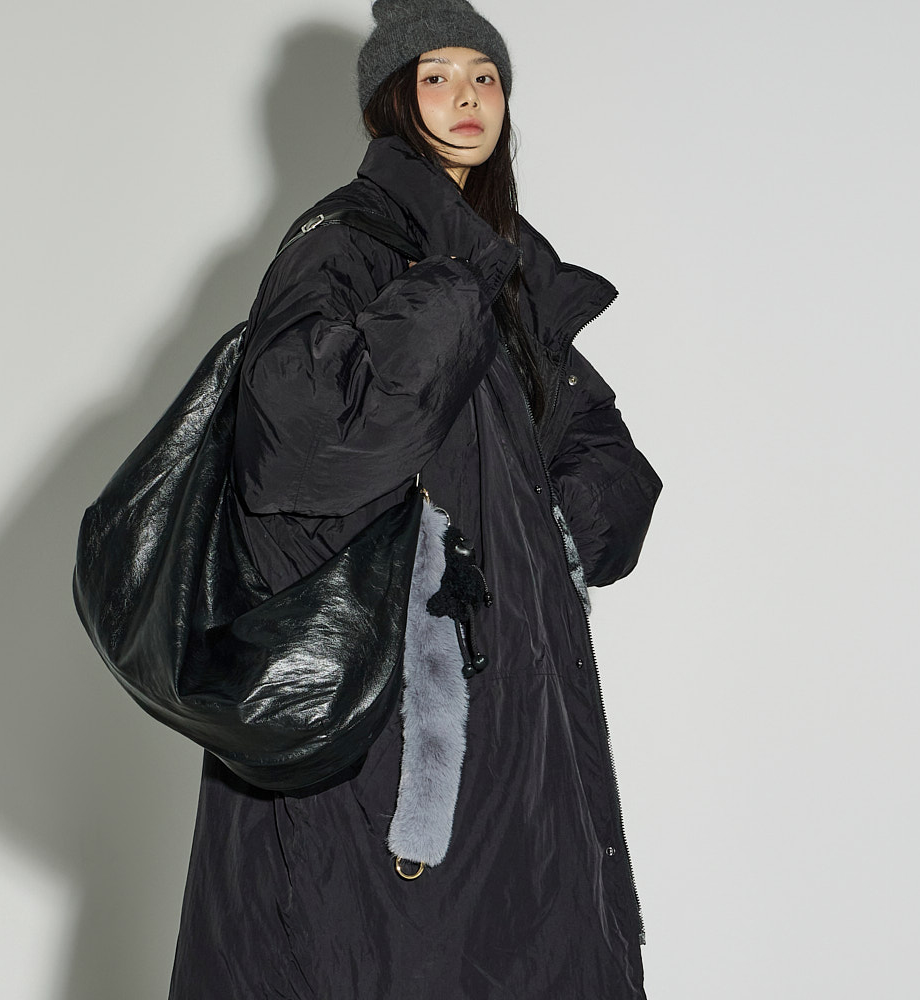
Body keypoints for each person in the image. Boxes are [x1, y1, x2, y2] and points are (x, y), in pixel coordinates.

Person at [168, 2, 662, 997]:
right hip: (386, 719)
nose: (466, 98)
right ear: (390, 102)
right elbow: (304, 443)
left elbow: (602, 450)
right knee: (389, 953)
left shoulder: (499, 262)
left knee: (518, 946)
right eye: (436, 77)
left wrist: (544, 536)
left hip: (511, 696)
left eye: (485, 77)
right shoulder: (343, 246)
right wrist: (449, 286)